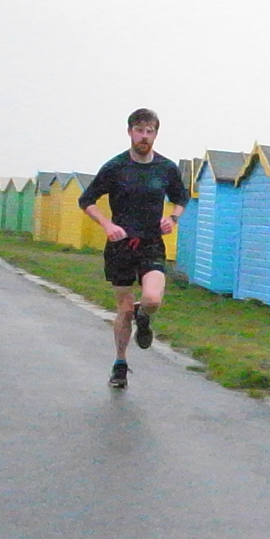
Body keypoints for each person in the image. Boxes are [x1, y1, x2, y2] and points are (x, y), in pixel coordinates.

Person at [80, 108, 189, 388]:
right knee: (124, 309)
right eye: (139, 130)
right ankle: (120, 364)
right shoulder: (116, 167)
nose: (144, 136)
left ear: (156, 134)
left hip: (151, 243)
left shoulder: (166, 168)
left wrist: (173, 218)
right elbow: (87, 200)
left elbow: (181, 198)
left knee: (152, 299)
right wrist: (106, 224)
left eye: (149, 131)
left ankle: (145, 316)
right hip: (120, 246)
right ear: (130, 132)